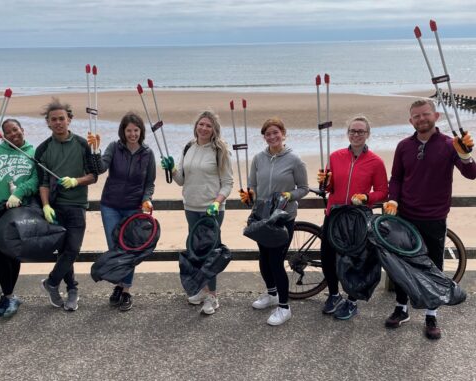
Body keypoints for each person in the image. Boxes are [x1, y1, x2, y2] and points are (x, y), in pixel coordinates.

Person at [383, 99, 476, 340]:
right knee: (403, 265)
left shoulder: (449, 144)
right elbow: (396, 178)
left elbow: (472, 173)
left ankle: (431, 314)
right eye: (416, 116)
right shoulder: (403, 146)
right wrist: (393, 199)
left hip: (434, 217)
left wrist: (464, 155)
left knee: (433, 267)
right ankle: (401, 308)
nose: (421, 119)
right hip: (405, 217)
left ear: (436, 116)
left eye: (425, 114)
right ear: (410, 120)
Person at [317, 115, 388, 320]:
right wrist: (325, 183)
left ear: (368, 134)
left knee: (356, 262)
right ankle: (333, 294)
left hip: (357, 218)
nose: (356, 135)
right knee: (328, 258)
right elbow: (330, 188)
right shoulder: (335, 156)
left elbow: (383, 192)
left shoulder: (376, 162)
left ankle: (352, 300)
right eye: (353, 131)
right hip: (334, 215)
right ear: (348, 133)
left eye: (361, 131)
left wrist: (367, 197)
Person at [163, 110, 234, 315]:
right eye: (201, 124)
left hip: (211, 210)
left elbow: (228, 183)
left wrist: (217, 202)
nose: (203, 128)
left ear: (214, 130)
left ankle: (212, 296)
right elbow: (182, 181)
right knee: (196, 251)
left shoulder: (220, 151)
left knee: (211, 253)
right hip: (191, 208)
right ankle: (202, 291)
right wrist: (172, 170)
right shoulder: (189, 147)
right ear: (196, 126)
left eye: (208, 126)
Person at [242, 117, 309, 326]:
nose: (272, 137)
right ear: (264, 137)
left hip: (283, 217)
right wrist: (249, 195)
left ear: (283, 133)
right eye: (268, 134)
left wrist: (290, 195)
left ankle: (284, 307)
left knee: (276, 261)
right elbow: (252, 185)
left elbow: (304, 188)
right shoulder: (257, 158)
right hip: (262, 216)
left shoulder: (295, 160)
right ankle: (271, 294)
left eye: (275, 132)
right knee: (263, 258)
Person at [36, 99, 101, 311]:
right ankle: (72, 289)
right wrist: (45, 206)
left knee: (73, 249)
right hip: (55, 206)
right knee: (63, 251)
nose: (58, 123)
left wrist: (76, 181)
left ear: (69, 120)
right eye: (53, 119)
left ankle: (51, 282)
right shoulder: (42, 150)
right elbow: (43, 183)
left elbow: (94, 175)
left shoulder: (84, 144)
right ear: (48, 122)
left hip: (77, 205)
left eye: (61, 119)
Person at [0, 118, 38, 318]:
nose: (13, 134)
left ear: (22, 129)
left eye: (15, 130)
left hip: (16, 211)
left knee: (13, 254)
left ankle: (8, 296)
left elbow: (36, 180)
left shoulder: (32, 152)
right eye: (8, 132)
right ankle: (8, 296)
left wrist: (19, 192)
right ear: (3, 135)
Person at [96, 112, 156, 311]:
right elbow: (99, 168)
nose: (132, 134)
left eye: (136, 130)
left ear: (141, 131)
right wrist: (94, 151)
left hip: (133, 208)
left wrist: (147, 199)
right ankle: (117, 286)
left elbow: (150, 184)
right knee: (115, 247)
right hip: (110, 205)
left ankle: (126, 290)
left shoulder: (148, 154)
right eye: (129, 130)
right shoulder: (114, 147)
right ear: (123, 131)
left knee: (129, 249)